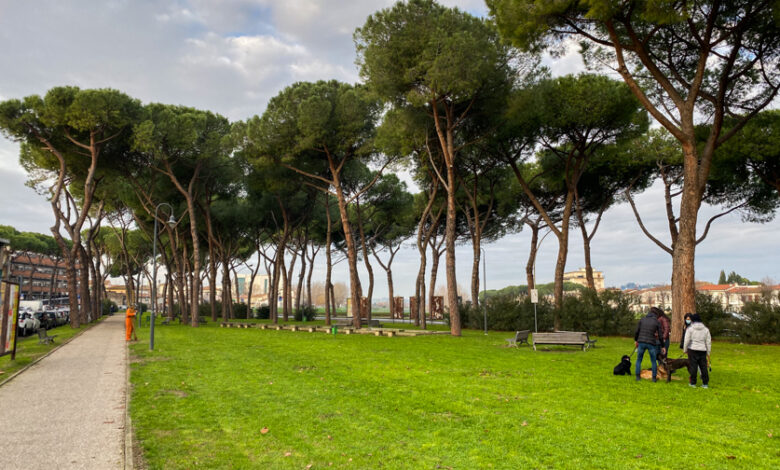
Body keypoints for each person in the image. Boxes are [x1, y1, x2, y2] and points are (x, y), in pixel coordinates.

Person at [634, 307, 664, 382]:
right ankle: (654, 378)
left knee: (639, 360)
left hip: (641, 342)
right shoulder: (657, 322)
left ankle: (637, 377)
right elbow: (660, 336)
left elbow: (637, 331)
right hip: (651, 343)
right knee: (653, 361)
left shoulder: (642, 319)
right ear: (656, 314)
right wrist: (663, 346)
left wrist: (636, 340)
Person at [683, 313, 711, 388]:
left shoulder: (690, 329)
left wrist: (685, 349)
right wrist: (708, 352)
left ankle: (693, 383)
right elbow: (708, 342)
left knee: (693, 367)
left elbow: (686, 340)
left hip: (692, 349)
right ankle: (705, 383)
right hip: (702, 350)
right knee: (703, 367)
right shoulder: (706, 329)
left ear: (692, 320)